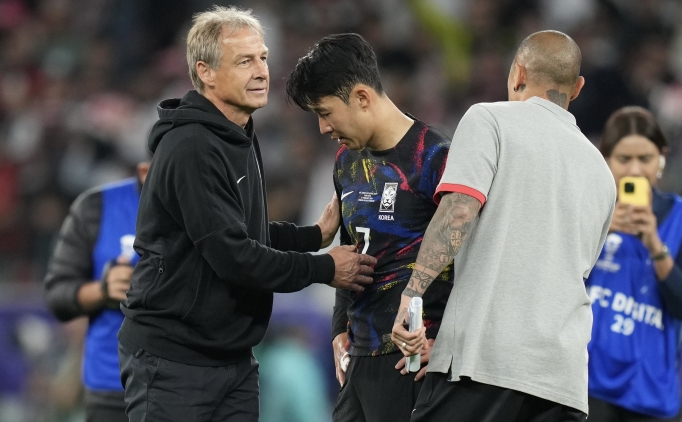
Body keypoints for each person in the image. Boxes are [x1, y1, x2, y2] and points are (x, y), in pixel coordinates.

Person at [116, 7, 376, 422]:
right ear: (205, 72)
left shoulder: (237, 133)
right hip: (174, 361)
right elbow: (233, 256)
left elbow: (242, 232)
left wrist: (312, 236)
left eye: (263, 58)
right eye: (244, 61)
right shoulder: (192, 147)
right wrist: (324, 268)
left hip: (231, 359)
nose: (260, 72)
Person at [391, 30, 617, 421]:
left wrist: (413, 294)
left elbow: (459, 212)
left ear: (517, 74)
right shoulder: (602, 171)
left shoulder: (490, 119)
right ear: (577, 88)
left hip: (486, 361)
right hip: (563, 380)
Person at [285, 33, 452, 422]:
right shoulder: (346, 161)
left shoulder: (435, 157)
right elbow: (351, 253)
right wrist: (338, 329)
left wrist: (450, 342)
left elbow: (473, 258)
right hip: (358, 359)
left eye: (325, 112)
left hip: (411, 361)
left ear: (361, 97)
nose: (323, 128)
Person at [585, 106, 682, 421]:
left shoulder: (679, 218)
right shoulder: (584, 211)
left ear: (662, 159)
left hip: (648, 390)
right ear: (606, 159)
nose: (636, 170)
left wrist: (655, 244)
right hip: (585, 382)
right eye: (624, 159)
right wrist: (598, 230)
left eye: (646, 158)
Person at [44, 162, 149, 422]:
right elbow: (57, 294)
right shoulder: (97, 207)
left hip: (194, 382)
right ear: (145, 171)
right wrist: (103, 290)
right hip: (114, 384)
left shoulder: (213, 204)